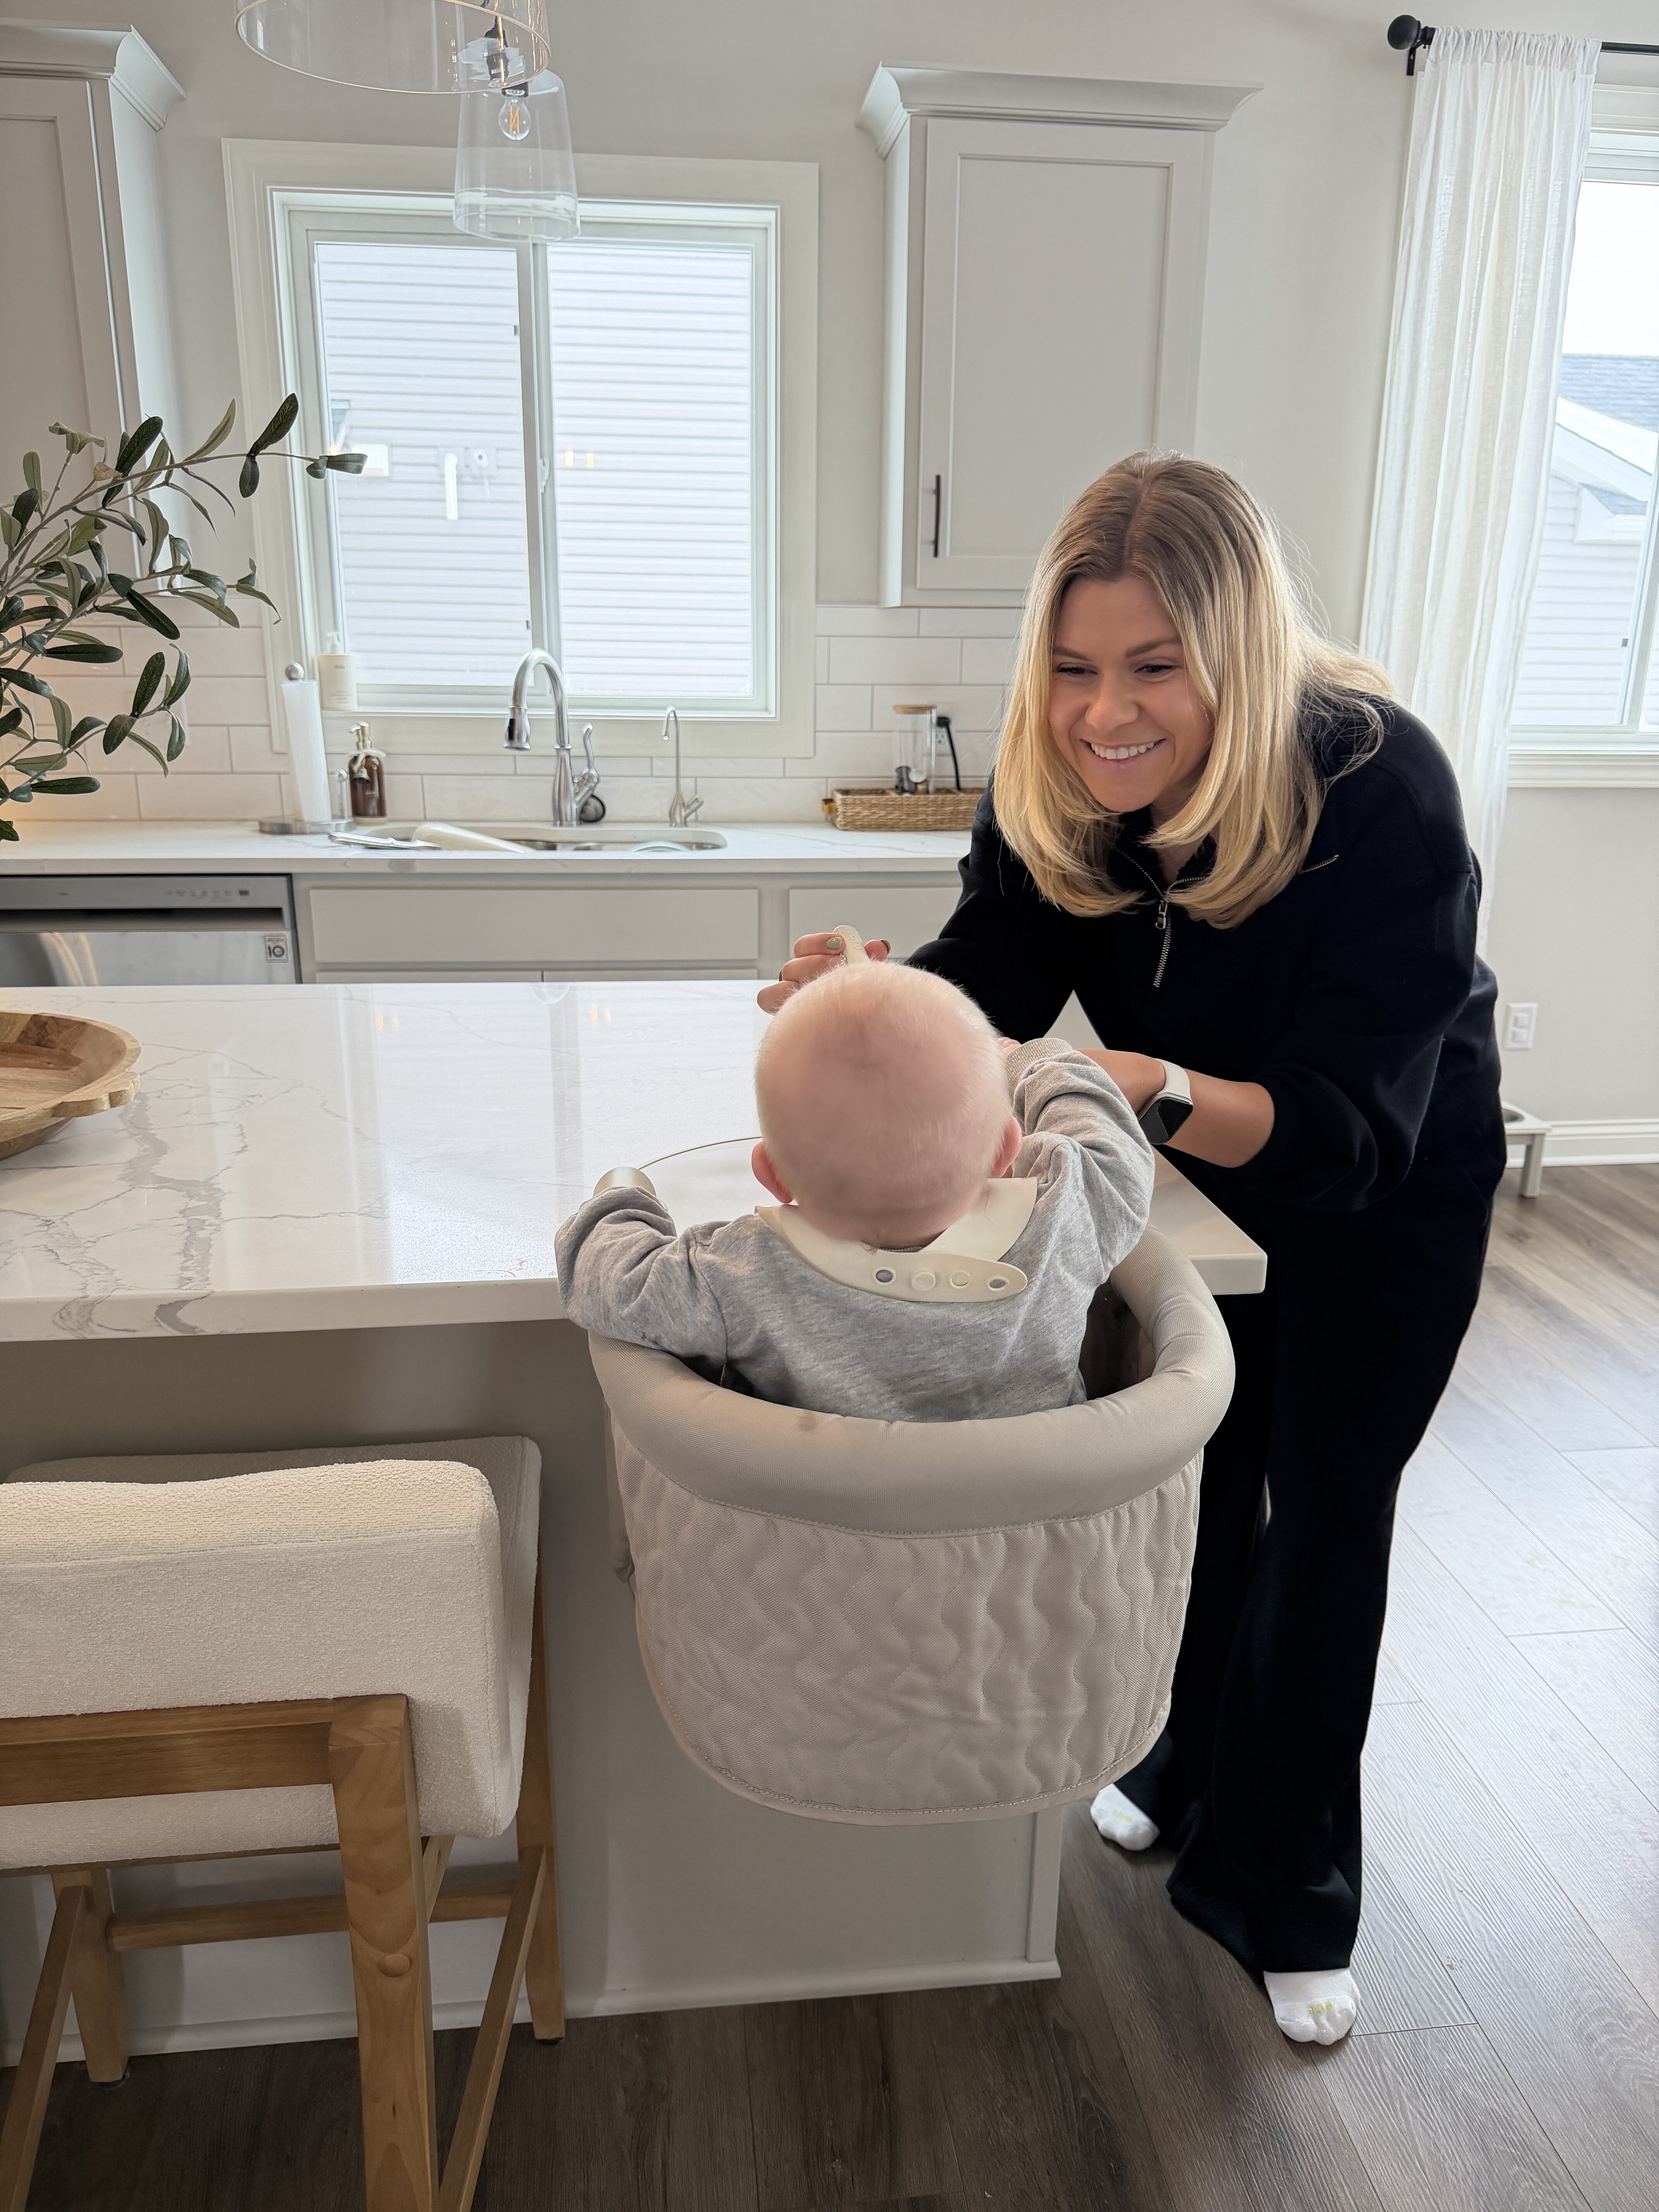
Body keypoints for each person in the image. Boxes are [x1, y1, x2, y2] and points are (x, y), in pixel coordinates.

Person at [761, 453, 1506, 2045]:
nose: (1107, 713)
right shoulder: (1059, 785)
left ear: (1236, 650)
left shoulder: (1379, 789)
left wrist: (1144, 1085)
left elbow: (1344, 1129)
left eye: (1155, 668)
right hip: (1197, 1169)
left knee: (1323, 1513)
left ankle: (1289, 1891)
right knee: (1210, 1483)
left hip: (1385, 1187)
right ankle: (1176, 1773)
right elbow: (1000, 971)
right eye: (1077, 667)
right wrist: (878, 996)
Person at [556, 956, 1154, 1421]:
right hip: (1031, 1560)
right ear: (1006, 1151)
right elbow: (1112, 1138)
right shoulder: (1071, 1212)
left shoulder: (739, 1275)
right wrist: (1033, 1060)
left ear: (771, 1176)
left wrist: (623, 1198)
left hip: (825, 1572)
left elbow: (609, 1282)